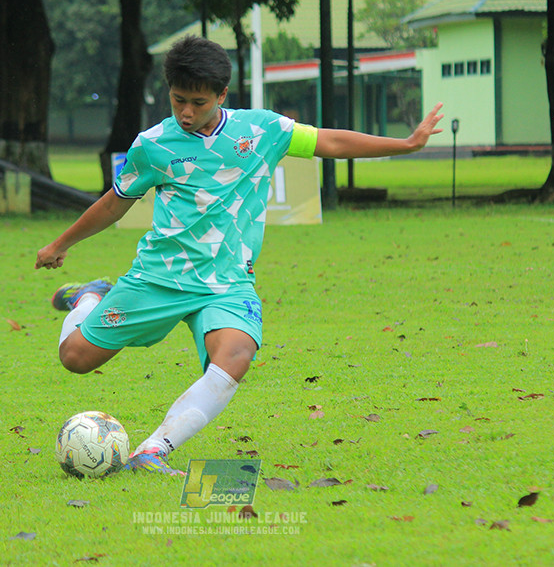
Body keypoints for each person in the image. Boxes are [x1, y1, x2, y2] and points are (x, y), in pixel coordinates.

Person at [36, 35, 444, 475]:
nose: (187, 112)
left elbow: (332, 143)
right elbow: (115, 202)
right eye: (178, 101)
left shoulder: (262, 130)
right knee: (75, 359)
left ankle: (153, 450)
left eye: (198, 102)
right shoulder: (152, 145)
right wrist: (61, 244)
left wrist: (404, 144)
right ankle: (90, 298)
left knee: (235, 357)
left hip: (228, 284)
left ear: (222, 95)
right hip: (159, 278)